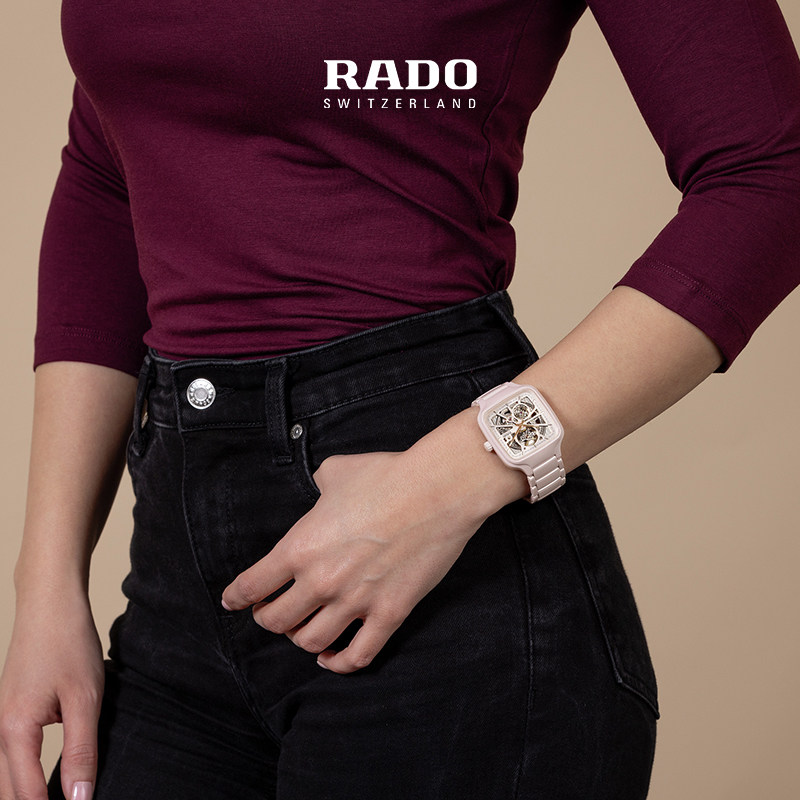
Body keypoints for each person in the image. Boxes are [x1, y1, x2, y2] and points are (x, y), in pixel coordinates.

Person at [1, 0, 799, 798]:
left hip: (441, 572)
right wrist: (46, 581)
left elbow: (776, 171)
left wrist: (449, 481)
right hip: (179, 581)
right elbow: (109, 172)